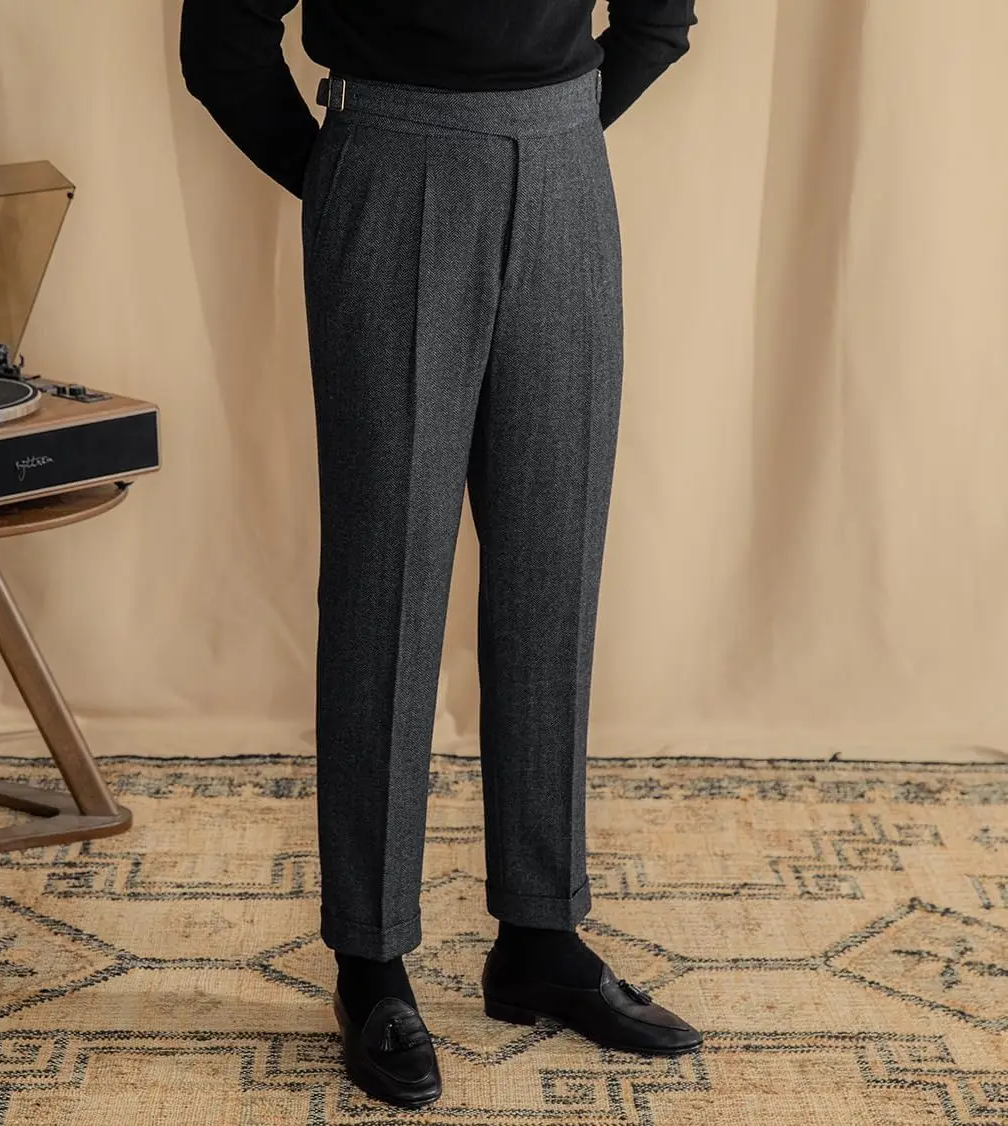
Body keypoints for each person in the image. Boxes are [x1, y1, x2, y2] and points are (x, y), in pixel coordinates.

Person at [180, 0, 700, 1109]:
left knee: (553, 567)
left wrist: (546, 132)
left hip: (563, 170)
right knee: (387, 583)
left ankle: (541, 936)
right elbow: (220, 40)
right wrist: (344, 177)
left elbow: (661, 16)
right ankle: (370, 959)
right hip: (390, 164)